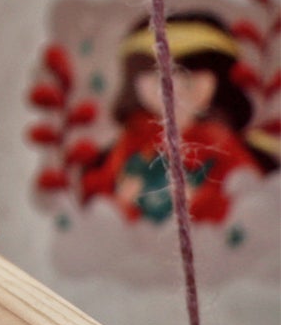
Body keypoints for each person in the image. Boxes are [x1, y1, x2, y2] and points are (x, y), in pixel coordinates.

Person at [80, 12, 270, 224]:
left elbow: (251, 209)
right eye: (157, 76)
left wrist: (200, 202)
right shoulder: (132, 141)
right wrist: (123, 202)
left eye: (191, 76)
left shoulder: (223, 144)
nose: (175, 88)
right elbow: (97, 204)